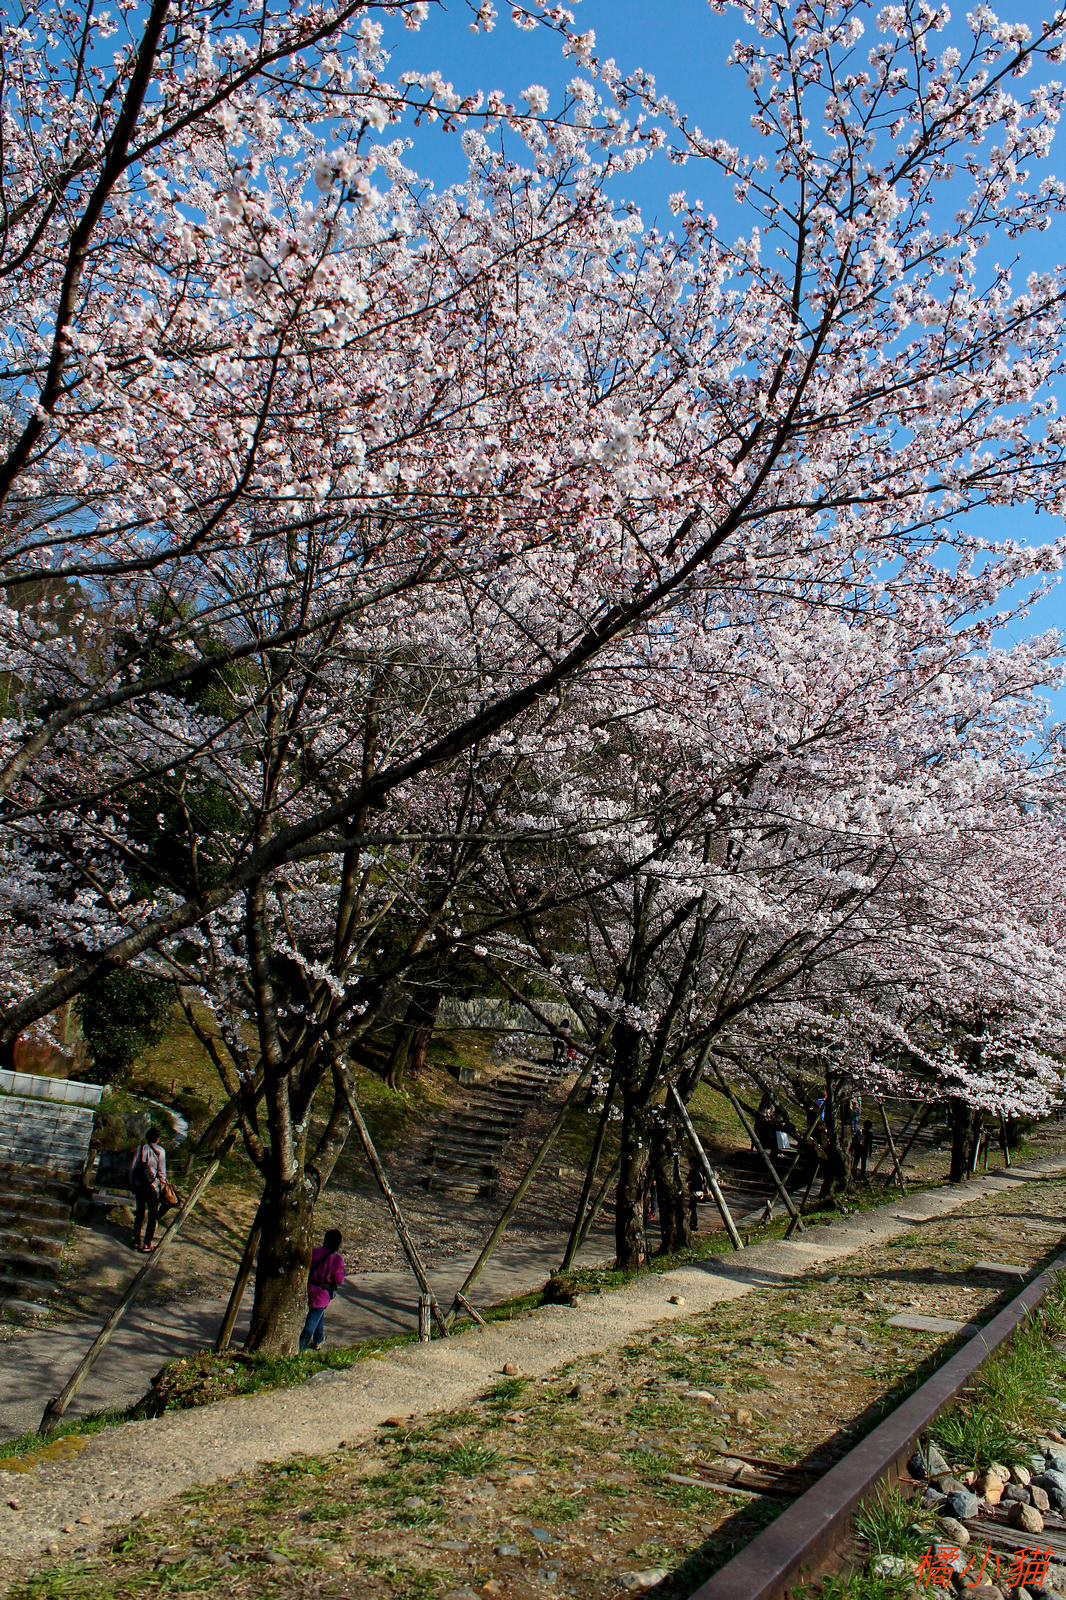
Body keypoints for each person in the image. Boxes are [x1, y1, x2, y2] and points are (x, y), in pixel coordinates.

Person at [300, 1229, 345, 1352]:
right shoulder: (336, 1259)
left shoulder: (313, 1251)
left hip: (307, 1288)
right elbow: (339, 1279)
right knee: (311, 1322)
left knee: (318, 1314)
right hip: (321, 1293)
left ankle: (318, 1339)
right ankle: (300, 1349)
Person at [129, 1127, 166, 1252]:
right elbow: (161, 1171)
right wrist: (162, 1186)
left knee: (139, 1214)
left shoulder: (140, 1149)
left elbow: (133, 1167)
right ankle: (147, 1244)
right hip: (153, 1186)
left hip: (139, 1185)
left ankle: (136, 1242)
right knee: (152, 1216)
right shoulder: (160, 1151)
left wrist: (132, 1183)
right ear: (157, 1138)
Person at [851, 1119, 874, 1183]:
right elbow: (870, 1144)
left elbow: (854, 1139)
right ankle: (862, 1174)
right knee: (863, 1162)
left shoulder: (859, 1131)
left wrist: (852, 1147)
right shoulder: (870, 1134)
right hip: (864, 1149)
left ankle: (853, 1173)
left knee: (856, 1161)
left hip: (858, 1148)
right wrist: (870, 1151)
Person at [687, 1160, 705, 1231]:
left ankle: (694, 1223)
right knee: (691, 1206)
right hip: (700, 1192)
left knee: (692, 1208)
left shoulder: (692, 1172)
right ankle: (692, 1222)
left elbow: (688, 1180)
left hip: (694, 1192)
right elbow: (703, 1181)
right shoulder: (701, 1172)